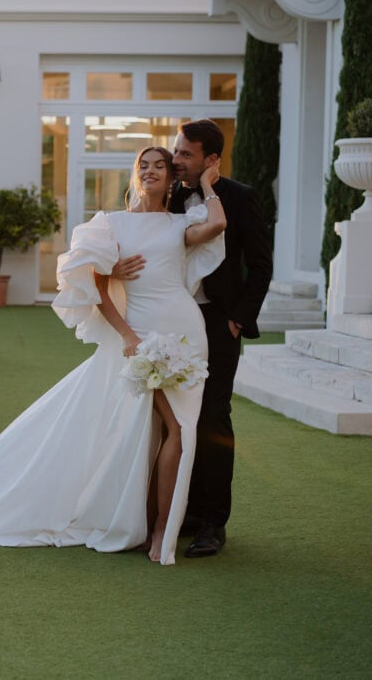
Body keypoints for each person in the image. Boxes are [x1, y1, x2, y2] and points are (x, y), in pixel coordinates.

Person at [0, 146, 226, 565]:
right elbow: (96, 289)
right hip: (141, 336)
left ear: (171, 177)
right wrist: (125, 328)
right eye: (143, 166)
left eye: (160, 166)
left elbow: (218, 223)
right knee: (167, 429)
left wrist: (204, 185)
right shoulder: (111, 224)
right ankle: (155, 528)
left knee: (171, 430)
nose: (151, 171)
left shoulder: (183, 222)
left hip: (184, 332)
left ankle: (157, 527)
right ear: (134, 174)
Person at [114, 120, 273, 558]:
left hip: (217, 324)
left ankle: (212, 523)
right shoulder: (172, 195)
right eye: (176, 152)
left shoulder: (239, 198)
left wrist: (238, 320)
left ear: (211, 160)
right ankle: (179, 510)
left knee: (211, 418)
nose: (176, 160)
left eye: (186, 154)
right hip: (169, 320)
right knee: (172, 421)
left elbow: (261, 265)